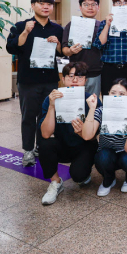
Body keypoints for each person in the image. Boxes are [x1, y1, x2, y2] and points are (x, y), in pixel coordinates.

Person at [6, 0, 63, 167]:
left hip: (50, 80)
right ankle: (28, 150)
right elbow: (11, 48)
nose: (46, 7)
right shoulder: (21, 25)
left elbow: (62, 53)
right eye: (41, 3)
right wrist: (25, 32)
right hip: (28, 80)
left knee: (46, 115)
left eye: (49, 4)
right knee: (29, 116)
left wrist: (58, 44)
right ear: (33, 6)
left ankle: (41, 146)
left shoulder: (57, 29)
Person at [38, 62, 100, 205]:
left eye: (79, 77)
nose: (75, 80)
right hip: (62, 144)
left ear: (85, 80)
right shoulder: (52, 98)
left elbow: (92, 136)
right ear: (63, 79)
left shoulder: (92, 101)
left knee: (79, 176)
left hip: (84, 145)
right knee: (45, 143)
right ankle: (55, 183)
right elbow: (46, 133)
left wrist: (81, 132)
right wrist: (52, 107)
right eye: (70, 76)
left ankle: (84, 172)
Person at [82, 78, 127, 196]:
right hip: (108, 152)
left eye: (122, 94)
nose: (116, 97)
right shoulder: (100, 111)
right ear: (108, 94)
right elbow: (87, 135)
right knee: (103, 157)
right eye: (113, 93)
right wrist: (92, 108)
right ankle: (108, 179)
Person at [62, 0, 103, 97]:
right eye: (86, 5)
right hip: (76, 74)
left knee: (92, 103)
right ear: (80, 7)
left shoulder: (103, 26)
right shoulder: (71, 25)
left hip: (96, 72)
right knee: (75, 103)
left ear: (98, 7)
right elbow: (64, 49)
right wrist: (70, 51)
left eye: (94, 4)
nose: (90, 7)